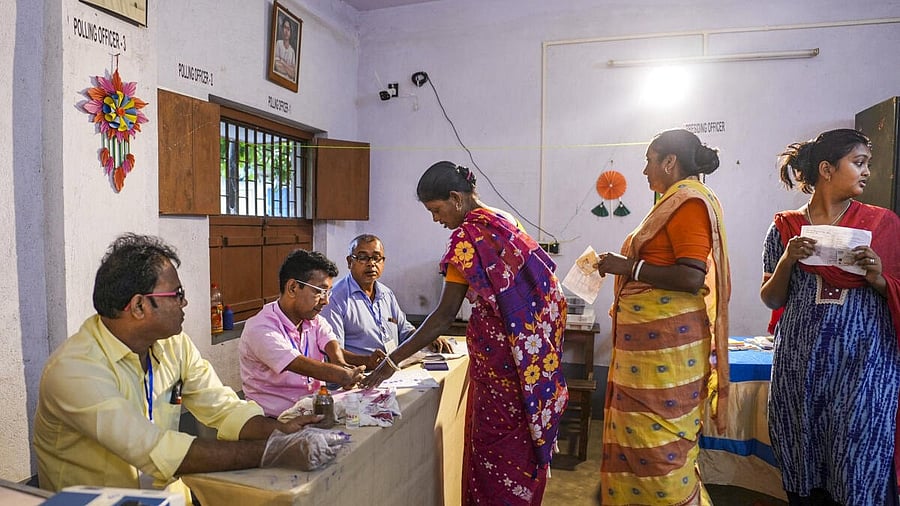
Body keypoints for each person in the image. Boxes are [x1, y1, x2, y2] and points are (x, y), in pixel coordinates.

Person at [33, 233, 321, 501]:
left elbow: (223, 407)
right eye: (177, 294)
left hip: (168, 500)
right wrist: (274, 452)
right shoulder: (76, 369)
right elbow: (156, 450)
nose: (185, 303)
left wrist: (280, 432)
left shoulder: (173, 345)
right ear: (138, 306)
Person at [361, 161, 568, 505]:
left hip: (501, 371)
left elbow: (443, 318)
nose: (435, 219)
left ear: (456, 199)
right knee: (519, 453)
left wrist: (391, 363)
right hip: (528, 365)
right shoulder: (506, 222)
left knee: (495, 458)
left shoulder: (465, 240)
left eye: (436, 209)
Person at [760, 128, 900, 505]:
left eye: (867, 163)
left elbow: (897, 287)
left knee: (858, 455)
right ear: (826, 169)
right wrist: (788, 259)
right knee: (801, 450)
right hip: (799, 367)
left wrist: (880, 277)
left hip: (864, 367)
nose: (867, 172)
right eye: (858, 163)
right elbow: (772, 299)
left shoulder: (882, 223)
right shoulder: (786, 227)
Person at [594, 128, 731, 505]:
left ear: (669, 162)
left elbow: (690, 275)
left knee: (658, 449)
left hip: (666, 360)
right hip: (651, 359)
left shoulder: (688, 202)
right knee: (642, 444)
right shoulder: (674, 201)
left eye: (649, 160)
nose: (644, 171)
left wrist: (629, 267)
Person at [239, 249, 365, 418]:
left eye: (328, 292)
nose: (326, 301)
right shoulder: (260, 328)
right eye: (319, 291)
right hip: (274, 422)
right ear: (292, 288)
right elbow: (298, 364)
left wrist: (342, 365)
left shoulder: (314, 320)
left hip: (314, 412)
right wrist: (340, 375)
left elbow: (331, 344)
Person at [320, 234, 451, 371]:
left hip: (392, 370)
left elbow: (405, 330)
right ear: (349, 261)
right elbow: (332, 352)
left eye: (376, 258)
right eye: (363, 257)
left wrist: (429, 339)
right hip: (358, 375)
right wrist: (367, 361)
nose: (371, 263)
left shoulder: (386, 294)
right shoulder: (335, 298)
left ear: (383, 261)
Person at [273, 16, 296, 81]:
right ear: (282, 29)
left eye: (288, 29)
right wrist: (289, 69)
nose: (286, 31)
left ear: (290, 32)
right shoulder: (278, 44)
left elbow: (293, 74)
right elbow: (277, 66)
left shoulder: (292, 51)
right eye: (285, 28)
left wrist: (282, 62)